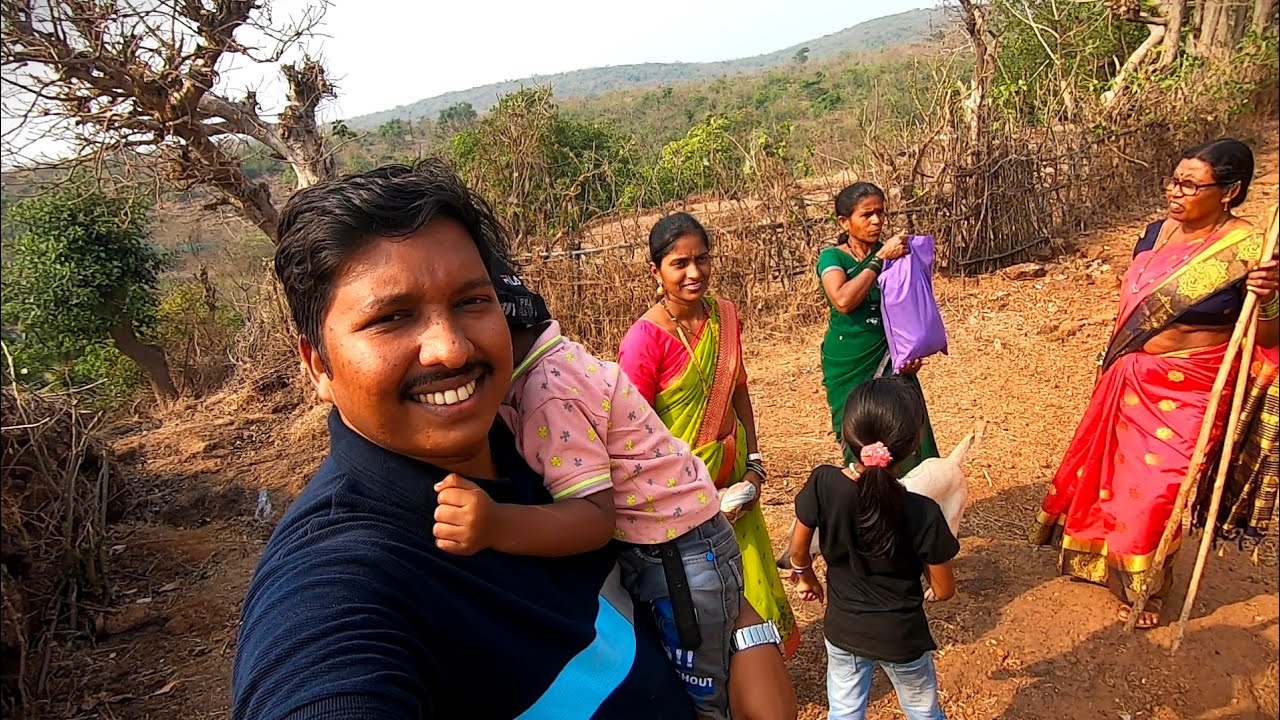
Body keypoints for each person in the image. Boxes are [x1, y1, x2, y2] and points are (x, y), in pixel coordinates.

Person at [231, 161, 796, 719]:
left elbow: (665, 561)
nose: (449, 349)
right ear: (317, 366)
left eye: (472, 302)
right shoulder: (336, 583)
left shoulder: (534, 446)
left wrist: (743, 633)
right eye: (392, 318)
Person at [458, 254, 752, 720]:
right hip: (681, 536)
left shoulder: (547, 395)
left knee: (703, 690)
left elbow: (593, 517)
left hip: (676, 552)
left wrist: (493, 524)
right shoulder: (560, 359)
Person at [1029, 138, 1280, 629]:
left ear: (1229, 192)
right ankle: (1100, 561)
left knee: (1162, 487)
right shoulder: (1152, 234)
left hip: (1194, 387)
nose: (1176, 193)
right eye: (1175, 181)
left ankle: (1146, 586)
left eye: (1191, 185)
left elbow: (1268, 335)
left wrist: (1269, 298)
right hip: (1130, 375)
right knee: (1116, 477)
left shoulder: (1253, 251)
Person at [619, 212, 800, 659]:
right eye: (679, 263)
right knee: (703, 593)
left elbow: (739, 389)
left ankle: (761, 665)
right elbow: (631, 434)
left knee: (748, 573)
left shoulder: (725, 316)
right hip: (679, 494)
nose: (694, 273)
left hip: (735, 479)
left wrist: (755, 465)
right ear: (656, 272)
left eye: (702, 259)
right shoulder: (644, 340)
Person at [787, 378, 959, 720]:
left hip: (843, 632)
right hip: (902, 637)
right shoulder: (923, 512)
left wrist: (806, 577)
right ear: (913, 446)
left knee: (845, 711)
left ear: (849, 436)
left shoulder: (823, 482)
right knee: (922, 711)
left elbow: (797, 551)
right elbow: (944, 590)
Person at [818, 182, 940, 472]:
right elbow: (843, 300)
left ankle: (913, 505)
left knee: (904, 429)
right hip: (849, 361)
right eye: (867, 214)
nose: (877, 221)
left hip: (890, 359)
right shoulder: (833, 257)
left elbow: (909, 309)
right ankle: (872, 503)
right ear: (844, 222)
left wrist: (911, 353)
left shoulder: (895, 258)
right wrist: (878, 259)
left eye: (881, 213)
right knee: (861, 436)